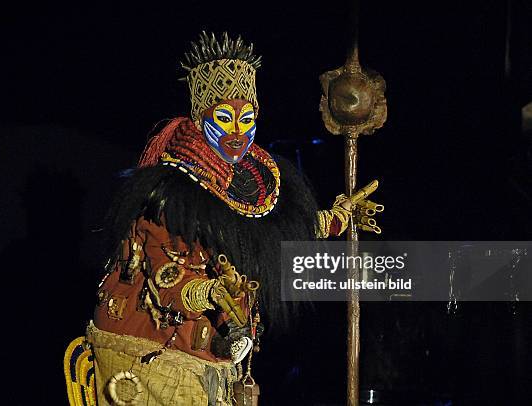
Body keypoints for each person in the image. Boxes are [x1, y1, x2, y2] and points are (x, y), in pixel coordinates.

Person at [64, 31, 381, 406]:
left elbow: (271, 233)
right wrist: (209, 292)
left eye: (246, 118)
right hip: (152, 353)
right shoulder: (170, 192)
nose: (237, 131)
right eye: (225, 118)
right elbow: (168, 276)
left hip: (211, 356)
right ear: (201, 119)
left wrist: (338, 217)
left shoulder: (249, 183)